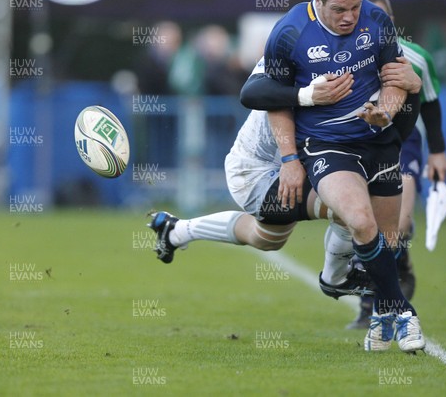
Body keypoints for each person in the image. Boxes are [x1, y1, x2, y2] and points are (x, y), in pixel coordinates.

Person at [254, 0, 425, 352]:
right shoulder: (289, 32)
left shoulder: (377, 22)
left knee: (389, 239)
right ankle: (404, 312)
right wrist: (289, 160)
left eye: (355, 7)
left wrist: (387, 108)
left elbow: (396, 78)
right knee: (360, 222)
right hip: (327, 145)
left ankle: (381, 320)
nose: (350, 17)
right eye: (339, 9)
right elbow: (276, 103)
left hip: (379, 140)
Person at [148, 56, 421, 296]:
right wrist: (306, 97)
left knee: (265, 239)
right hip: (255, 170)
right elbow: (254, 93)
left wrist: (413, 89)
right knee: (349, 208)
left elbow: (398, 131)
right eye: (342, 11)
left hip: (294, 164)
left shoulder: (365, 57)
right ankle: (335, 278)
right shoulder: (293, 45)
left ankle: (176, 230)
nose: (350, 20)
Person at [342, 0, 446, 330]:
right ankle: (369, 300)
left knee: (397, 225)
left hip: (402, 142)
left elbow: (430, 102)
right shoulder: (343, 53)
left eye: (380, 18)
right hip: (357, 144)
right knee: (361, 221)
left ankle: (393, 269)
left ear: (389, 22)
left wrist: (438, 151)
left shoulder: (415, 57)